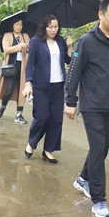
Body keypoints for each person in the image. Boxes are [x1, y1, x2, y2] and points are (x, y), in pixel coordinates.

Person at [65, 0, 109, 217]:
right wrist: (70, 102)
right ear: (101, 15)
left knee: (102, 149)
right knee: (97, 149)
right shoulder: (86, 41)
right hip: (91, 104)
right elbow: (73, 72)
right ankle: (99, 200)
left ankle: (83, 179)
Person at [22, 14, 73, 163]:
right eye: (50, 27)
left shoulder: (61, 41)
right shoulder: (36, 42)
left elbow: (68, 60)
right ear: (44, 27)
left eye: (56, 27)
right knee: (42, 117)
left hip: (58, 85)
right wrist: (28, 83)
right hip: (41, 86)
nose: (53, 30)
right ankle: (32, 143)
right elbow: (30, 64)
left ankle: (48, 150)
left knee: (56, 119)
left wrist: (69, 46)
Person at [0, 18, 30, 124]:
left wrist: (27, 48)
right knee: (9, 89)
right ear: (12, 25)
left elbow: (29, 48)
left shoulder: (25, 36)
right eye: (17, 24)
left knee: (22, 90)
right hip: (10, 66)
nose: (19, 27)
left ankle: (19, 114)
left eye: (20, 25)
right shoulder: (7, 35)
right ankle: (3, 106)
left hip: (22, 67)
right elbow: (7, 50)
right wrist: (20, 46)